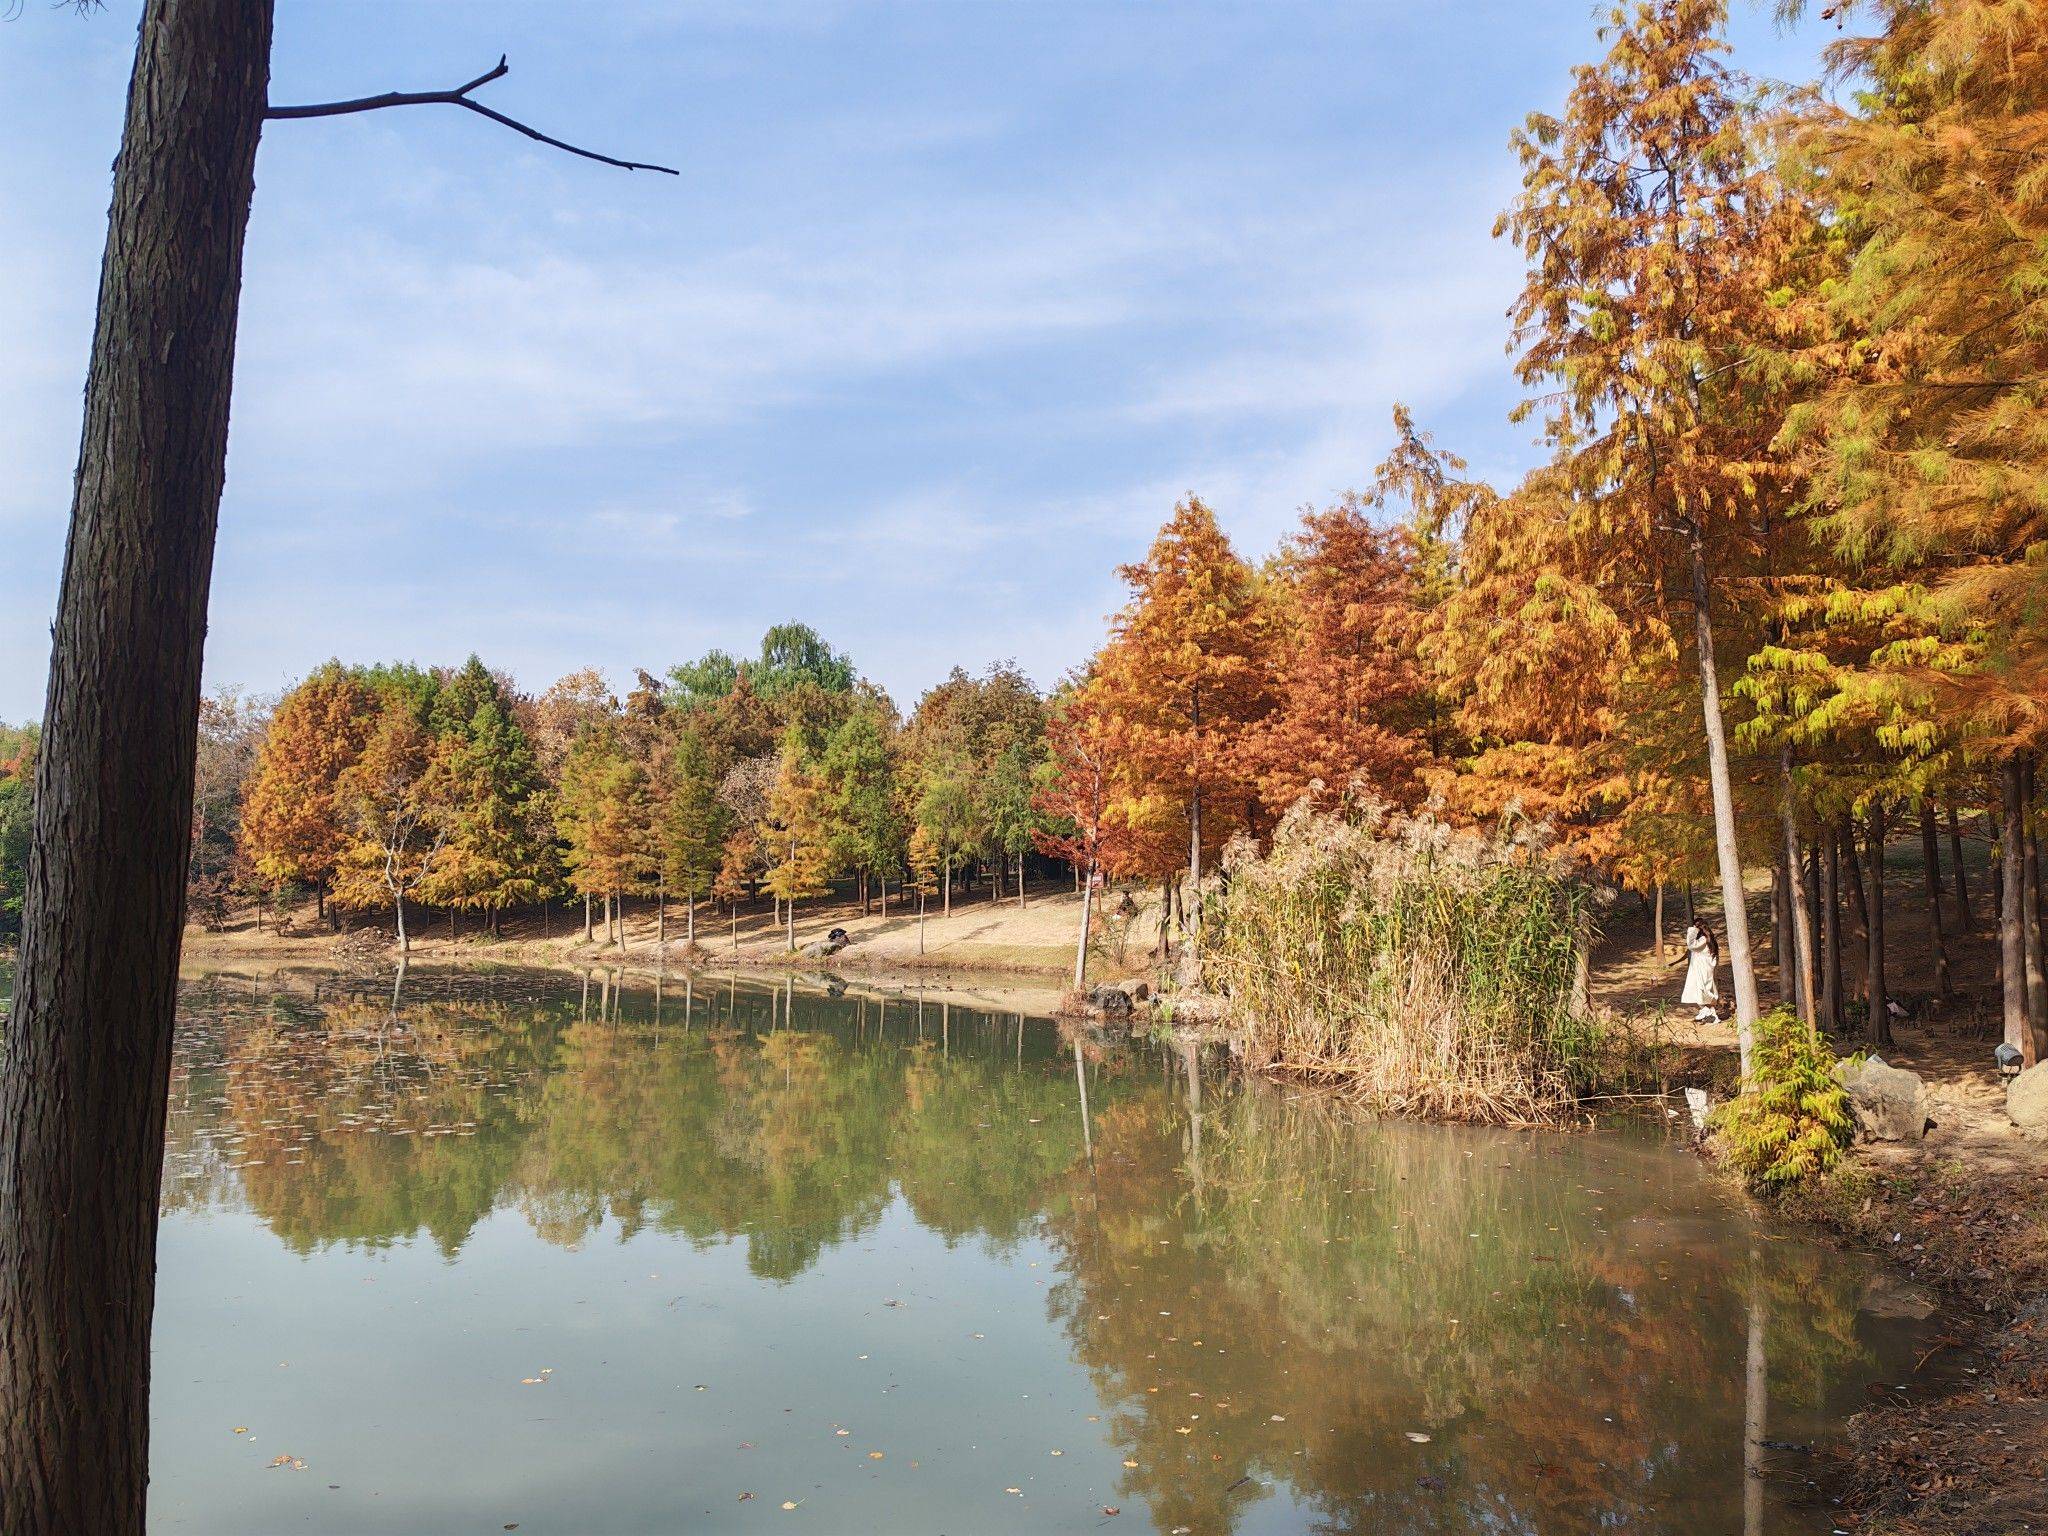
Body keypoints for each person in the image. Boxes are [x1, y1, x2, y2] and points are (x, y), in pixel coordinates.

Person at [1670, 919, 1721, 1023]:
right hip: (1705, 970)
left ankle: (1706, 1011)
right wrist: (1675, 962)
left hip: (1701, 970)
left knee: (1698, 991)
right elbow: (1690, 951)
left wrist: (1693, 930)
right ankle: (1712, 1015)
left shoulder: (1703, 940)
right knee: (1703, 992)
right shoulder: (1709, 940)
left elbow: (1691, 945)